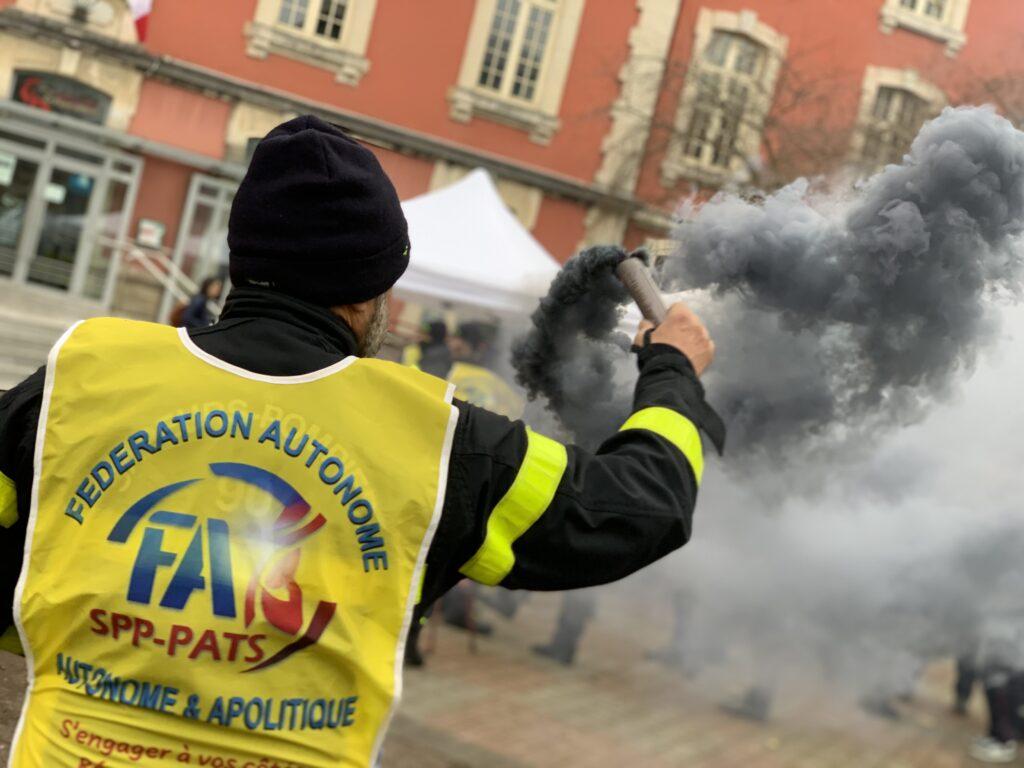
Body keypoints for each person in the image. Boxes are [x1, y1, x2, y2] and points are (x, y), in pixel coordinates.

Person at [0, 115, 721, 767]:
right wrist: (672, 368)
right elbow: (638, 507)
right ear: (370, 290)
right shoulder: (433, 438)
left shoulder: (83, 375)